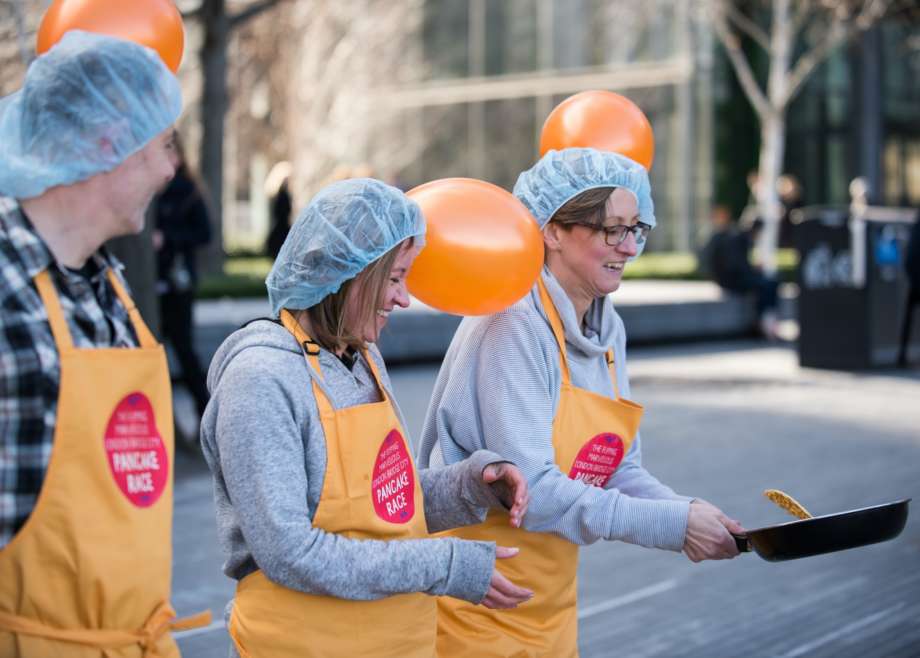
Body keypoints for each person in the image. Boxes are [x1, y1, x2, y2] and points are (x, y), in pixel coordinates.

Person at [417, 148, 744, 657]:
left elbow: (617, 466)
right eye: (612, 229)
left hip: (549, 607)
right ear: (551, 230)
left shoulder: (606, 327)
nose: (629, 246)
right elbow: (538, 493)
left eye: (637, 228)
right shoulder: (514, 324)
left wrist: (688, 511)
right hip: (475, 611)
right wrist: (673, 528)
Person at [200, 178, 533, 657]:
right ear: (349, 274)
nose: (404, 299)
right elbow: (291, 553)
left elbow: (382, 505)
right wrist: (444, 565)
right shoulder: (262, 379)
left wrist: (471, 483)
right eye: (395, 279)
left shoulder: (363, 360)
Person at [0, 31, 208, 655]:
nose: (172, 169)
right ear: (104, 143)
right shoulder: (6, 296)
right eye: (163, 144)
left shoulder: (105, 282)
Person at [153, 133, 212, 420]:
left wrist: (168, 239)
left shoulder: (187, 189)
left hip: (177, 283)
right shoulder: (153, 188)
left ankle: (206, 411)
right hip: (155, 282)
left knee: (184, 350)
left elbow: (204, 234)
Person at [701, 204, 780, 339]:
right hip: (731, 280)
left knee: (768, 283)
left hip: (728, 278)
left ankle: (766, 318)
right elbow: (738, 267)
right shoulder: (740, 239)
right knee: (768, 284)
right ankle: (764, 319)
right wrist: (754, 271)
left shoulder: (738, 236)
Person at [264, 161, 292, 259]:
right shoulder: (281, 195)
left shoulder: (278, 194)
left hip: (280, 229)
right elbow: (282, 212)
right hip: (281, 230)